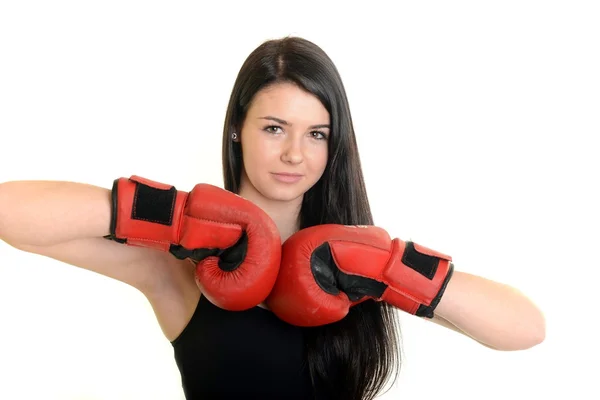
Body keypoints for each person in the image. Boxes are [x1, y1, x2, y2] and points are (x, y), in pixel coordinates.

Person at [0, 36, 545, 400]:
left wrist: (390, 270)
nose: (294, 154)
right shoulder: (175, 268)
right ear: (238, 128)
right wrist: (176, 218)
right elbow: (10, 213)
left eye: (316, 134)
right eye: (273, 128)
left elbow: (526, 329)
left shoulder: (355, 268)